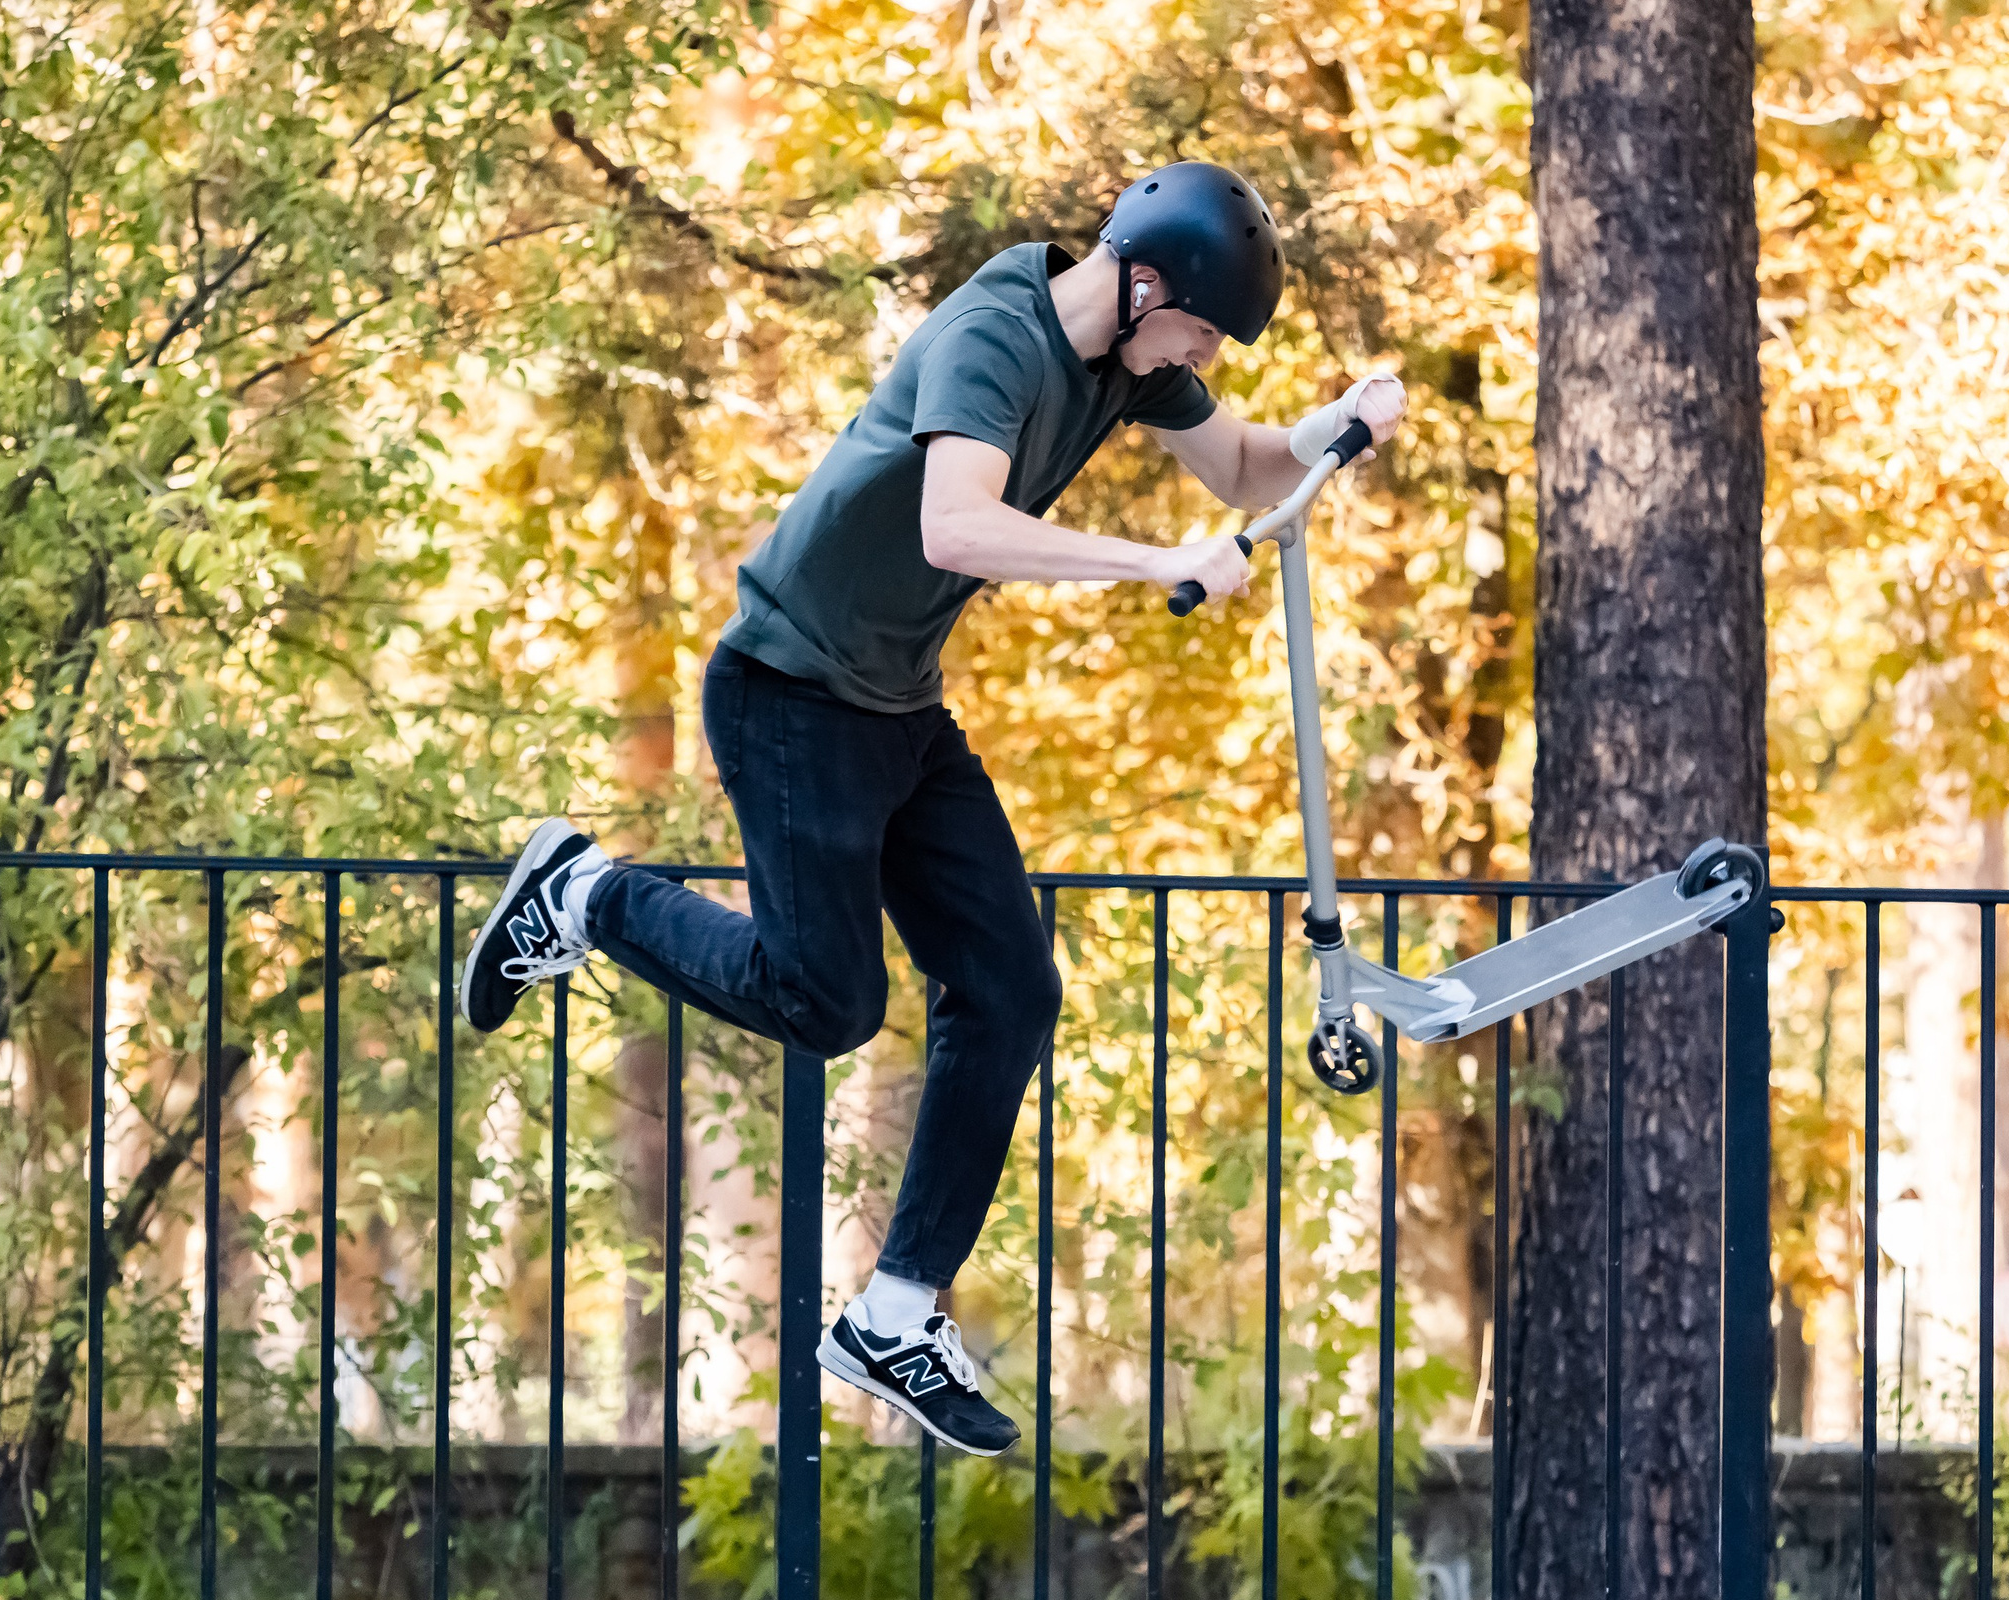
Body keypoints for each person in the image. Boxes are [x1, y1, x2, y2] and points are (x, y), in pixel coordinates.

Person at [457, 161, 1405, 1456]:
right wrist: (1156, 566)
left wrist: (1330, 425)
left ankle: (895, 1313)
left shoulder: (1131, 364)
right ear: (1145, 285)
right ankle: (584, 893)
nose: (1200, 355)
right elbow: (958, 527)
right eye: (1200, 328)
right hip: (787, 693)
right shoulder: (992, 338)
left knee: (1011, 990)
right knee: (829, 1005)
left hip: (895, 710)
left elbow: (1242, 470)